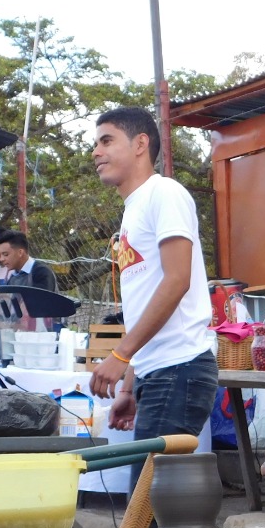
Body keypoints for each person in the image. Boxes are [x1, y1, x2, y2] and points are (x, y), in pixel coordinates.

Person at [89, 107, 217, 492]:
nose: (96, 151)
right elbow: (148, 303)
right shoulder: (133, 211)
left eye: (106, 140)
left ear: (141, 143)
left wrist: (121, 355)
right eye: (95, 143)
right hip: (157, 373)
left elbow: (177, 281)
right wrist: (130, 384)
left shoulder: (165, 192)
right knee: (154, 509)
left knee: (148, 510)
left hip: (179, 369)